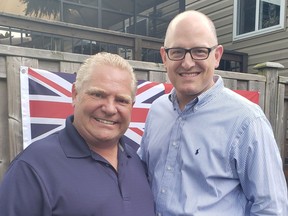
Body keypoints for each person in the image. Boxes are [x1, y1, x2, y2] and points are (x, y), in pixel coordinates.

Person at [138, 10, 288, 216]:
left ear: (216, 56)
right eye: (177, 51)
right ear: (165, 57)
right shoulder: (157, 110)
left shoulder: (247, 121)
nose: (188, 62)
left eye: (200, 51)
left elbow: (271, 209)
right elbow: (142, 175)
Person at [0, 52, 155, 216]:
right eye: (98, 94)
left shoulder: (137, 162)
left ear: (132, 105)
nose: (110, 109)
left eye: (121, 100)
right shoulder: (32, 168)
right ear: (75, 94)